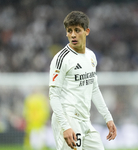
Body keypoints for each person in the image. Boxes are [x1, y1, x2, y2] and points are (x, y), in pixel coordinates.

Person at [49, 11, 117, 150]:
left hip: (85, 120)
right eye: (69, 31)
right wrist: (66, 126)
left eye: (77, 30)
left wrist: (108, 118)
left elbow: (94, 89)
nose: (73, 34)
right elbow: (53, 95)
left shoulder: (91, 56)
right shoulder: (61, 59)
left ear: (87, 31)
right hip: (68, 118)